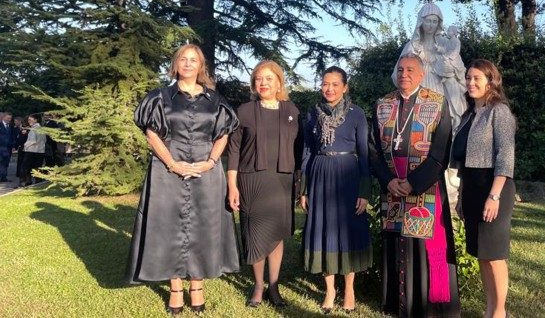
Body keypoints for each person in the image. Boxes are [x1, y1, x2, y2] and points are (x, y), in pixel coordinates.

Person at [125, 44, 240, 315]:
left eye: (194, 60)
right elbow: (151, 133)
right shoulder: (159, 97)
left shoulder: (215, 100)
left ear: (201, 66)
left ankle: (197, 287)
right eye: (183, 60)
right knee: (167, 228)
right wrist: (172, 163)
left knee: (203, 228)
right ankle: (176, 288)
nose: (188, 64)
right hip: (167, 169)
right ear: (175, 64)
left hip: (206, 170)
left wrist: (211, 162)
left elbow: (223, 134)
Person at [370, 53, 461, 317]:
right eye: (400, 69)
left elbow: (440, 152)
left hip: (424, 187)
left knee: (422, 246)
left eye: (410, 70)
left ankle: (423, 305)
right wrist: (389, 181)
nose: (404, 74)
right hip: (392, 188)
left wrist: (413, 183)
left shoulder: (437, 103)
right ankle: (396, 304)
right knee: (396, 242)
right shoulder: (383, 104)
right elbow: (373, 149)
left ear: (421, 75)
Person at [227, 60, 301, 309]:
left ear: (279, 82)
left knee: (277, 233)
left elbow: (300, 149)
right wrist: (232, 185)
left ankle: (274, 285)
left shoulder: (292, 110)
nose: (263, 83)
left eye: (269, 78)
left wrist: (301, 183)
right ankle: (258, 285)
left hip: (282, 180)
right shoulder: (245, 111)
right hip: (251, 179)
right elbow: (234, 150)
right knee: (255, 233)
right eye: (259, 78)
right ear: (253, 83)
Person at [299, 66, 372, 314]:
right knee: (324, 229)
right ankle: (330, 289)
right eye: (325, 84)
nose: (329, 89)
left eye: (334, 84)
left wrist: (365, 191)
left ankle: (349, 289)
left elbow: (364, 153)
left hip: (348, 176)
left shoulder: (357, 114)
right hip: (320, 174)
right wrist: (304, 188)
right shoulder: (312, 114)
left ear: (345, 87)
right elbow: (307, 153)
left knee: (348, 230)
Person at [452, 59, 516, 318]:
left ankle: (499, 312)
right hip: (472, 187)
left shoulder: (498, 112)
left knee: (495, 255)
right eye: (468, 78)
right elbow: (466, 158)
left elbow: (505, 156)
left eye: (477, 78)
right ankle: (489, 308)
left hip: (494, 187)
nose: (470, 82)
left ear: (491, 81)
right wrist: (461, 195)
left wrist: (494, 195)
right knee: (481, 254)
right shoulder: (469, 114)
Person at [394, 3, 467, 130]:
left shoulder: (445, 42)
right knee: (418, 126)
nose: (431, 25)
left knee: (441, 125)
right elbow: (397, 74)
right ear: (421, 21)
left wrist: (452, 70)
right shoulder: (412, 46)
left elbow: (460, 68)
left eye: (434, 21)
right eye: (428, 21)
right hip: (418, 89)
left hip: (441, 88)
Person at [20, 114, 45, 187]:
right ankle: (38, 182)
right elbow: (44, 140)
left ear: (36, 120)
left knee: (25, 167)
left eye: (30, 120)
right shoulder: (41, 128)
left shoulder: (34, 129)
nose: (28, 121)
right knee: (37, 167)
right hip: (40, 151)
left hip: (31, 151)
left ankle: (24, 182)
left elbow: (32, 141)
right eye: (28, 120)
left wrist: (25, 146)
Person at [0, 112, 17, 182]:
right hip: (0, 148)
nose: (9, 120)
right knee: (0, 163)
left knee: (6, 164)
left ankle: (4, 178)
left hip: (8, 149)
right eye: (8, 118)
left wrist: (13, 146)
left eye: (10, 118)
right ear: (3, 117)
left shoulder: (11, 126)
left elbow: (12, 137)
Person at [14, 117, 27, 181]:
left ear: (20, 121)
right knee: (19, 160)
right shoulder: (15, 128)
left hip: (25, 146)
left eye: (16, 121)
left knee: (24, 161)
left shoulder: (25, 128)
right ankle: (19, 173)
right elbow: (15, 138)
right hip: (19, 146)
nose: (15, 122)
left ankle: (23, 174)